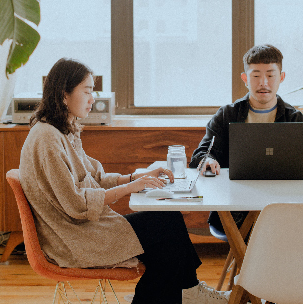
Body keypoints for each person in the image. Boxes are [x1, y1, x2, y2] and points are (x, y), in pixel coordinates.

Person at [19, 58, 229, 304]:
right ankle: (187, 291)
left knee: (166, 228)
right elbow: (76, 204)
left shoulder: (63, 131)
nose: (92, 99)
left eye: (93, 92)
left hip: (83, 230)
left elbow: (94, 178)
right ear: (64, 95)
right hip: (72, 239)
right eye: (87, 91)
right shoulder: (47, 139)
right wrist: (131, 187)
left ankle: (187, 290)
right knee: (165, 229)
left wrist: (134, 177)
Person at [189, 44, 303, 232]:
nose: (263, 83)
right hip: (236, 207)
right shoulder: (227, 115)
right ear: (245, 78)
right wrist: (207, 160)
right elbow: (201, 154)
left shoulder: (294, 118)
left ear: (281, 77)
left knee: (291, 230)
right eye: (256, 76)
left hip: (284, 204)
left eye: (270, 75)